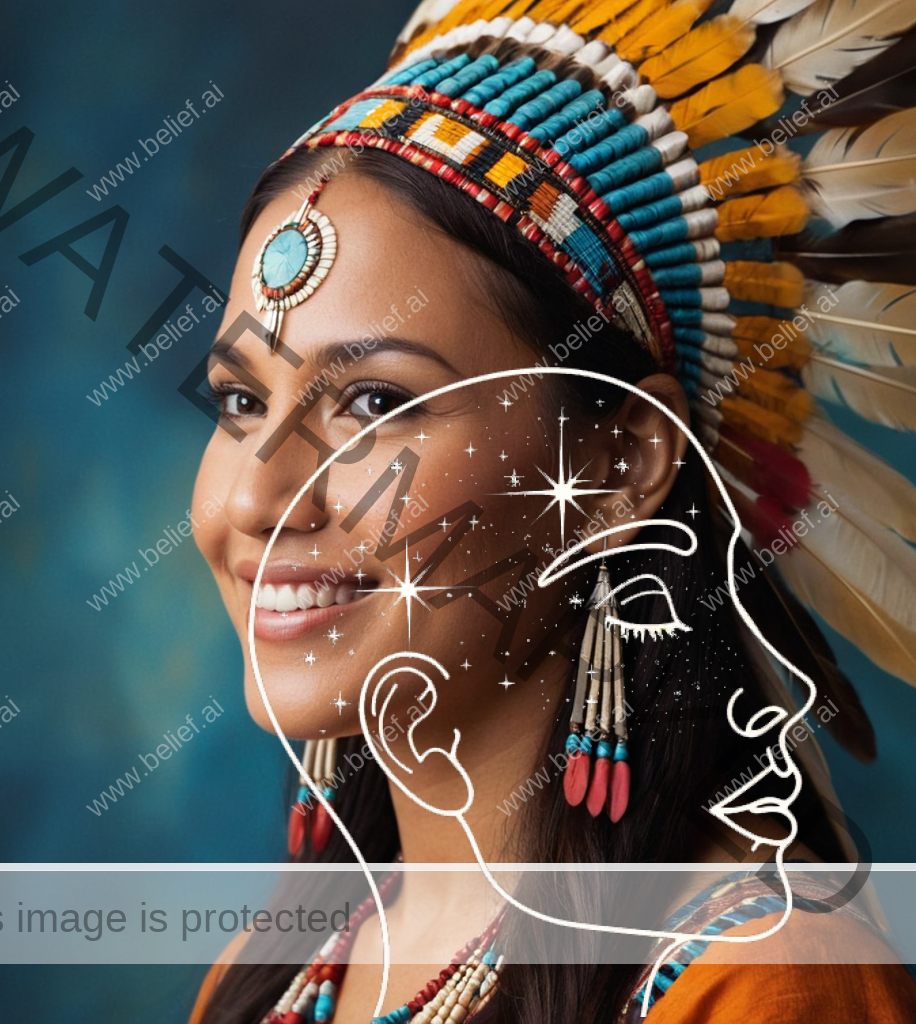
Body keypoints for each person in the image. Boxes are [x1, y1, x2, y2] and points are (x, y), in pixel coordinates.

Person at [187, 2, 916, 1021]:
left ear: (620, 463)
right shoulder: (271, 973)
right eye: (240, 401)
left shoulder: (763, 983)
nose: (258, 500)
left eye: (373, 405)